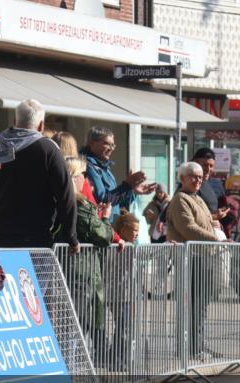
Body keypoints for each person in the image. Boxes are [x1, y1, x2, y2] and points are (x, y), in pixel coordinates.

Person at [0, 99, 78, 251]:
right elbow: (65, 195)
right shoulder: (49, 150)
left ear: (15, 120)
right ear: (41, 125)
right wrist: (71, 237)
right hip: (33, 239)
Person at [59, 156, 116, 369]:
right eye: (82, 174)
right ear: (73, 178)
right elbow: (101, 235)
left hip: (78, 270)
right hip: (80, 271)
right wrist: (106, 219)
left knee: (78, 326)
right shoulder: (79, 203)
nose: (86, 179)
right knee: (78, 327)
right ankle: (71, 377)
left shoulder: (65, 200)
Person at [167, 161, 218, 359]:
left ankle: (198, 345)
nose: (198, 180)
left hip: (204, 257)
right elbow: (187, 228)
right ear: (182, 178)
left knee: (201, 306)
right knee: (192, 307)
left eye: (200, 176)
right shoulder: (181, 199)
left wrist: (215, 225)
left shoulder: (198, 198)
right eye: (193, 176)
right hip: (191, 258)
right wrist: (215, 238)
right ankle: (190, 349)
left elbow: (203, 223)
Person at [81, 126, 155, 221]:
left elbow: (117, 202)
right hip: (101, 227)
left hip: (111, 226)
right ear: (92, 143)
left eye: (113, 145)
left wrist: (131, 191)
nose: (111, 149)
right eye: (106, 144)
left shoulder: (105, 169)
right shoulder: (89, 166)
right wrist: (127, 186)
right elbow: (103, 200)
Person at [191, 148, 225, 216]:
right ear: (195, 164)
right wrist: (213, 217)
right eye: (205, 165)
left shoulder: (215, 184)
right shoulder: (188, 184)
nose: (208, 169)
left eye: (211, 166)